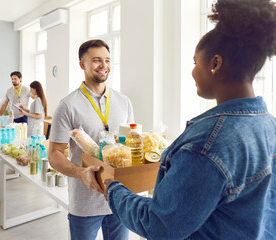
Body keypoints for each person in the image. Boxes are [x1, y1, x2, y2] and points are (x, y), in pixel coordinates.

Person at [104, 0, 276, 239]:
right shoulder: (270, 125)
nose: (193, 71)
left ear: (215, 64)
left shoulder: (207, 144)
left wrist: (110, 187)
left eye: (196, 62)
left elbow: (159, 224)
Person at [48, 39, 134, 240]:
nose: (103, 66)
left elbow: (129, 144)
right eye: (96, 60)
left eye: (107, 60)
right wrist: (80, 173)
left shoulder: (124, 101)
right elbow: (54, 154)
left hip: (119, 199)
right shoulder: (68, 105)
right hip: (85, 203)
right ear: (82, 65)